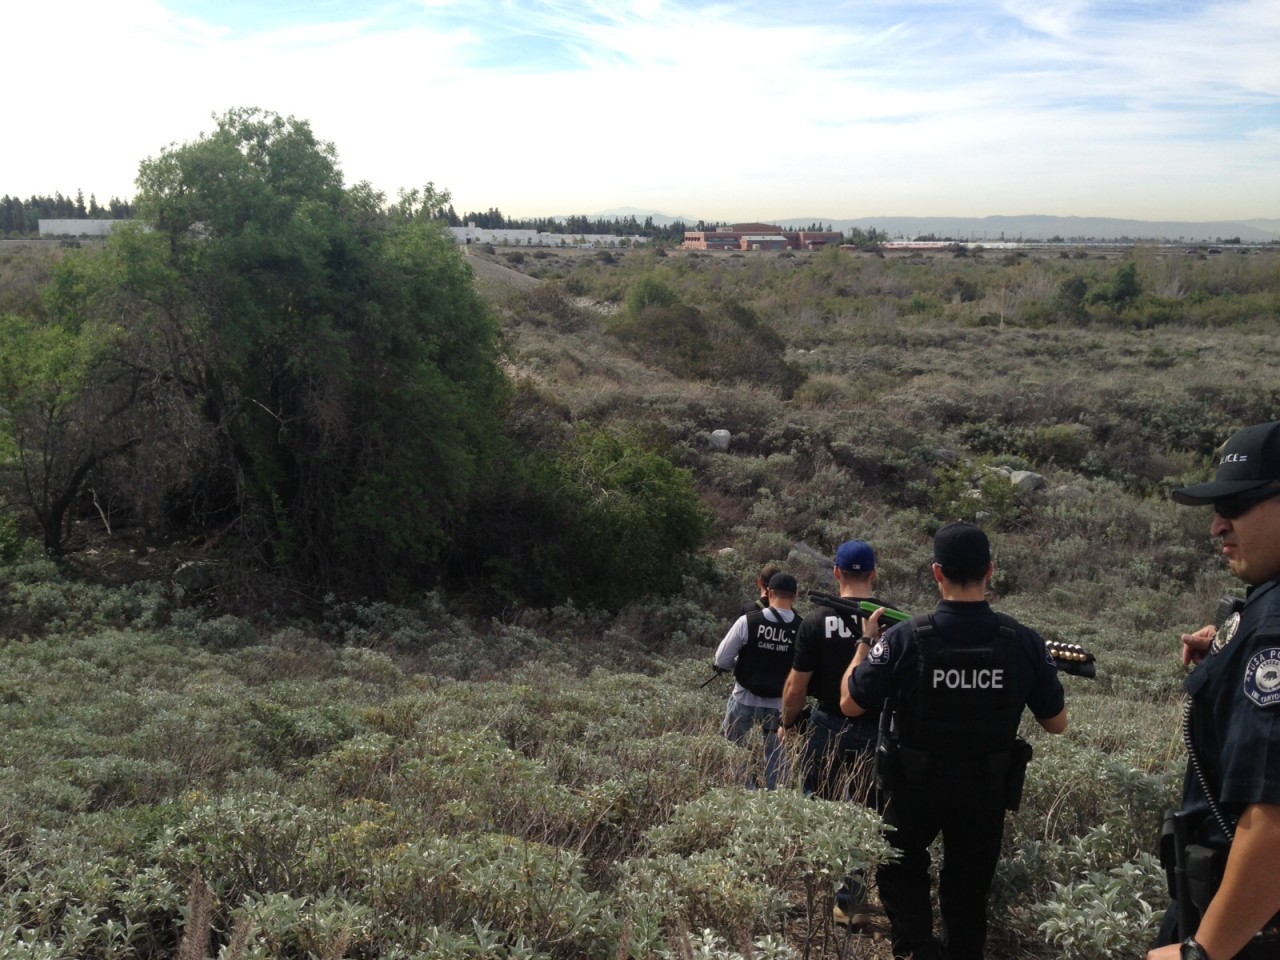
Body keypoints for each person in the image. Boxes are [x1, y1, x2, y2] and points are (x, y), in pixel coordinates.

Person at [840, 522, 1067, 960]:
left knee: (902, 873)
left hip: (913, 786)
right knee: (968, 890)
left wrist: (867, 643)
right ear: (991, 570)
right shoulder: (1021, 640)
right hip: (985, 790)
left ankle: (918, 951)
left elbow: (850, 702)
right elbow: (1056, 723)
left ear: (937, 573)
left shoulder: (907, 637)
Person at [1148, 420, 1280, 960]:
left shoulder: (1272, 629)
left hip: (1247, 933)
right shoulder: (1261, 615)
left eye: (1238, 504)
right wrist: (1229, 649)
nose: (1216, 526)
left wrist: (1203, 950)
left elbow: (1272, 820)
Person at [780, 539, 888, 927]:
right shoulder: (891, 622)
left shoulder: (815, 621)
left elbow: (795, 687)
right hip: (876, 729)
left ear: (837, 573)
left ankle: (814, 886)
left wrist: (788, 722)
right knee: (864, 814)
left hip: (826, 725)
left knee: (816, 803)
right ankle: (849, 901)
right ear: (873, 573)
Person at [715, 571, 800, 789]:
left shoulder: (748, 621)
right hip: (779, 704)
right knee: (776, 756)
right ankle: (774, 799)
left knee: (734, 749)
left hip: (744, 698)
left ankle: (744, 792)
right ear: (795, 596)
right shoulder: (802, 627)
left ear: (769, 592)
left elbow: (722, 659)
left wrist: (739, 663)